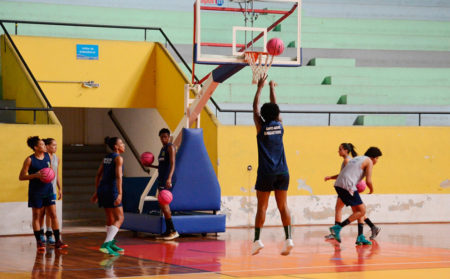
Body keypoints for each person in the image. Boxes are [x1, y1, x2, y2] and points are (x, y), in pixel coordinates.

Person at [251, 76, 293, 256]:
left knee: (262, 207)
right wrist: (271, 88)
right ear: (276, 114)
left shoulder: (261, 127)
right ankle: (289, 238)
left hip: (266, 173)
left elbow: (254, 108)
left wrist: (259, 88)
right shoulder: (280, 125)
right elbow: (276, 106)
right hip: (283, 172)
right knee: (283, 207)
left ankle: (257, 240)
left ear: (263, 115)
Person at [19, 136, 68, 251]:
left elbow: (50, 172)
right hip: (36, 192)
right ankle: (39, 242)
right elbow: (21, 177)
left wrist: (55, 182)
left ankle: (58, 241)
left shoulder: (47, 156)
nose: (44, 146)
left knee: (53, 214)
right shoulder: (29, 160)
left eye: (44, 144)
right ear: (36, 147)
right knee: (36, 216)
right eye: (42, 144)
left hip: (48, 190)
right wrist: (35, 175)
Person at [324, 144, 381, 240]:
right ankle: (338, 228)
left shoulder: (357, 158)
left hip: (339, 185)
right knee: (361, 210)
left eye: (340, 149)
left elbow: (345, 173)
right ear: (374, 157)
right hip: (348, 185)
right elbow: (368, 181)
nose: (377, 161)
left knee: (357, 210)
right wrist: (371, 189)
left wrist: (330, 177)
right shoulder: (369, 161)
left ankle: (361, 235)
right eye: (377, 158)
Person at [91, 136, 125, 256]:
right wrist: (120, 193)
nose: (123, 145)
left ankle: (110, 244)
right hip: (112, 190)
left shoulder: (106, 158)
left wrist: (97, 191)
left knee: (110, 217)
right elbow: (118, 177)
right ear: (116, 147)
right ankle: (106, 244)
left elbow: (98, 175)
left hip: (103, 189)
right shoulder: (118, 159)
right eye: (121, 143)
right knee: (120, 218)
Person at [150, 128, 179, 241]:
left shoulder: (170, 147)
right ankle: (168, 230)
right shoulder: (162, 149)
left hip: (168, 179)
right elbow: (162, 166)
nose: (163, 139)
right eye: (161, 137)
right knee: (162, 205)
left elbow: (173, 164)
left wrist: (169, 178)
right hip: (161, 178)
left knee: (164, 203)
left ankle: (173, 231)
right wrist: (150, 166)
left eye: (165, 137)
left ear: (169, 137)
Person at [40, 138, 62, 245]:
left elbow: (56, 175)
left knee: (50, 212)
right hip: (42, 188)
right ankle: (40, 232)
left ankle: (49, 233)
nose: (55, 147)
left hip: (52, 189)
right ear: (47, 146)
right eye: (53, 145)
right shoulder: (43, 157)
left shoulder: (57, 158)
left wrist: (60, 188)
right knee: (42, 212)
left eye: (56, 145)